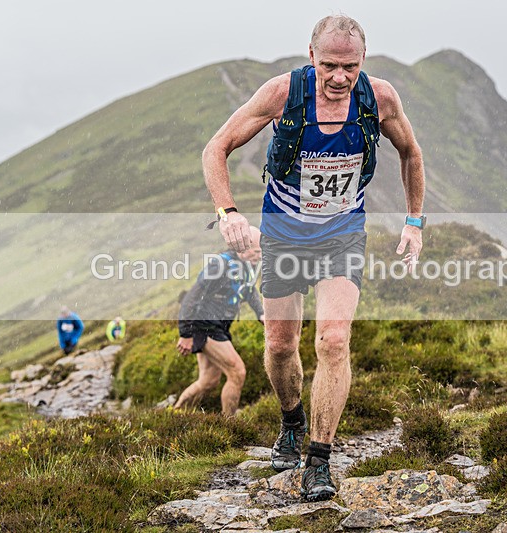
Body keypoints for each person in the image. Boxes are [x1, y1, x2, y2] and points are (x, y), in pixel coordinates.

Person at [202, 15, 426, 501]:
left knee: (333, 341)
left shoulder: (379, 98)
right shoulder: (283, 94)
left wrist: (414, 221)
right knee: (281, 347)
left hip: (342, 235)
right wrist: (228, 214)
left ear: (363, 61)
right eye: (329, 65)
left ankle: (319, 461)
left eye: (350, 66)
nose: (340, 77)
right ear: (311, 56)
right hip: (283, 235)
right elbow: (215, 147)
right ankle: (291, 422)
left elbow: (411, 151)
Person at [174, 225, 265, 416]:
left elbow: (249, 290)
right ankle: (229, 424)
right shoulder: (219, 265)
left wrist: (261, 313)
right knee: (237, 372)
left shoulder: (248, 266)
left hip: (219, 327)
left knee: (208, 381)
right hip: (205, 326)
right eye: (257, 251)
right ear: (243, 248)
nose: (260, 256)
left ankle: (174, 414)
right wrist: (186, 333)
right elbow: (191, 298)